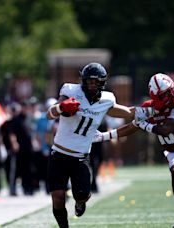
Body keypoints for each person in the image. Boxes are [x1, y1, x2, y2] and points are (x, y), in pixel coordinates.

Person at [95, 73, 174, 228]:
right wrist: (103, 136)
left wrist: (144, 125)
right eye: (165, 94)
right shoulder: (149, 108)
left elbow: (166, 129)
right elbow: (130, 126)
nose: (170, 96)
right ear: (155, 95)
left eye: (170, 91)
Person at [46, 62, 140, 228]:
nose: (91, 85)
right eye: (89, 81)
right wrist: (61, 107)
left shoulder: (107, 99)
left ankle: (80, 203)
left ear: (102, 83)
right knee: (58, 196)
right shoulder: (70, 91)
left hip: (80, 158)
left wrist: (146, 111)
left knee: (82, 195)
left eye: (95, 82)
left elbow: (126, 112)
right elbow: (49, 114)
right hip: (59, 153)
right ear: (83, 80)